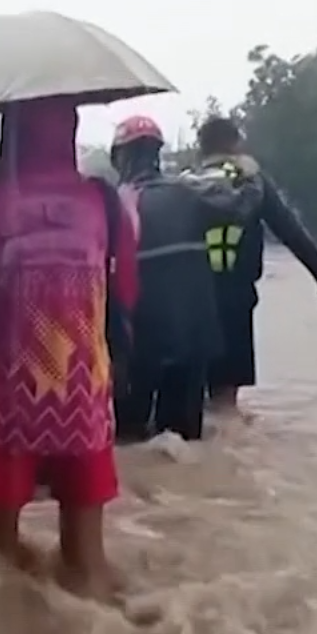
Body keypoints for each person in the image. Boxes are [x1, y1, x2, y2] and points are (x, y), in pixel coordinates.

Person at [0, 96, 138, 602]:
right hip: (84, 400)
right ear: (69, 130)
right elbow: (128, 295)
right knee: (87, 565)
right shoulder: (104, 201)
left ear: (9, 132)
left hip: (9, 403)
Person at [110, 115, 263, 442]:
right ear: (157, 154)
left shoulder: (111, 207)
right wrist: (252, 177)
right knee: (184, 441)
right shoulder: (191, 194)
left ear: (119, 158)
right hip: (194, 339)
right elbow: (242, 207)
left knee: (128, 439)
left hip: (135, 344)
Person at [189, 117, 317, 409]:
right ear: (235, 144)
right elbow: (291, 231)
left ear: (201, 148)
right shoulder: (252, 182)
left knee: (193, 400)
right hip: (237, 299)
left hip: (193, 302)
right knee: (225, 404)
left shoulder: (185, 184)